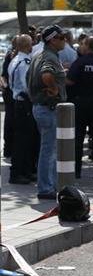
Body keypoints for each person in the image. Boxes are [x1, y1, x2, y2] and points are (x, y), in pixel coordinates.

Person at [27, 25, 68, 200]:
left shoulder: (39, 55)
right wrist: (54, 89)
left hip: (41, 107)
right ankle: (45, 188)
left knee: (48, 149)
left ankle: (49, 185)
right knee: (49, 150)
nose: (64, 40)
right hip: (47, 108)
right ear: (52, 40)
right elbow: (46, 75)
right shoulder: (49, 57)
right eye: (61, 37)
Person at [67, 36, 93, 179]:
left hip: (80, 104)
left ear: (88, 46)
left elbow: (69, 81)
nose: (80, 46)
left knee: (77, 138)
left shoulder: (80, 62)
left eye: (83, 44)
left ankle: (76, 171)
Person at [7, 34, 38, 185]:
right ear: (27, 46)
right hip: (24, 103)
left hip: (18, 102)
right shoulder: (24, 62)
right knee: (23, 140)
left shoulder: (14, 60)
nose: (33, 45)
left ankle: (24, 171)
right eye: (31, 43)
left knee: (25, 139)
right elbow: (27, 86)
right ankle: (17, 173)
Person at [1, 35, 18, 158]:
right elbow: (3, 76)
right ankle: (9, 148)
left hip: (10, 92)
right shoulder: (12, 56)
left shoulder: (10, 56)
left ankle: (9, 148)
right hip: (12, 93)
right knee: (11, 120)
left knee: (10, 119)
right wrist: (7, 87)